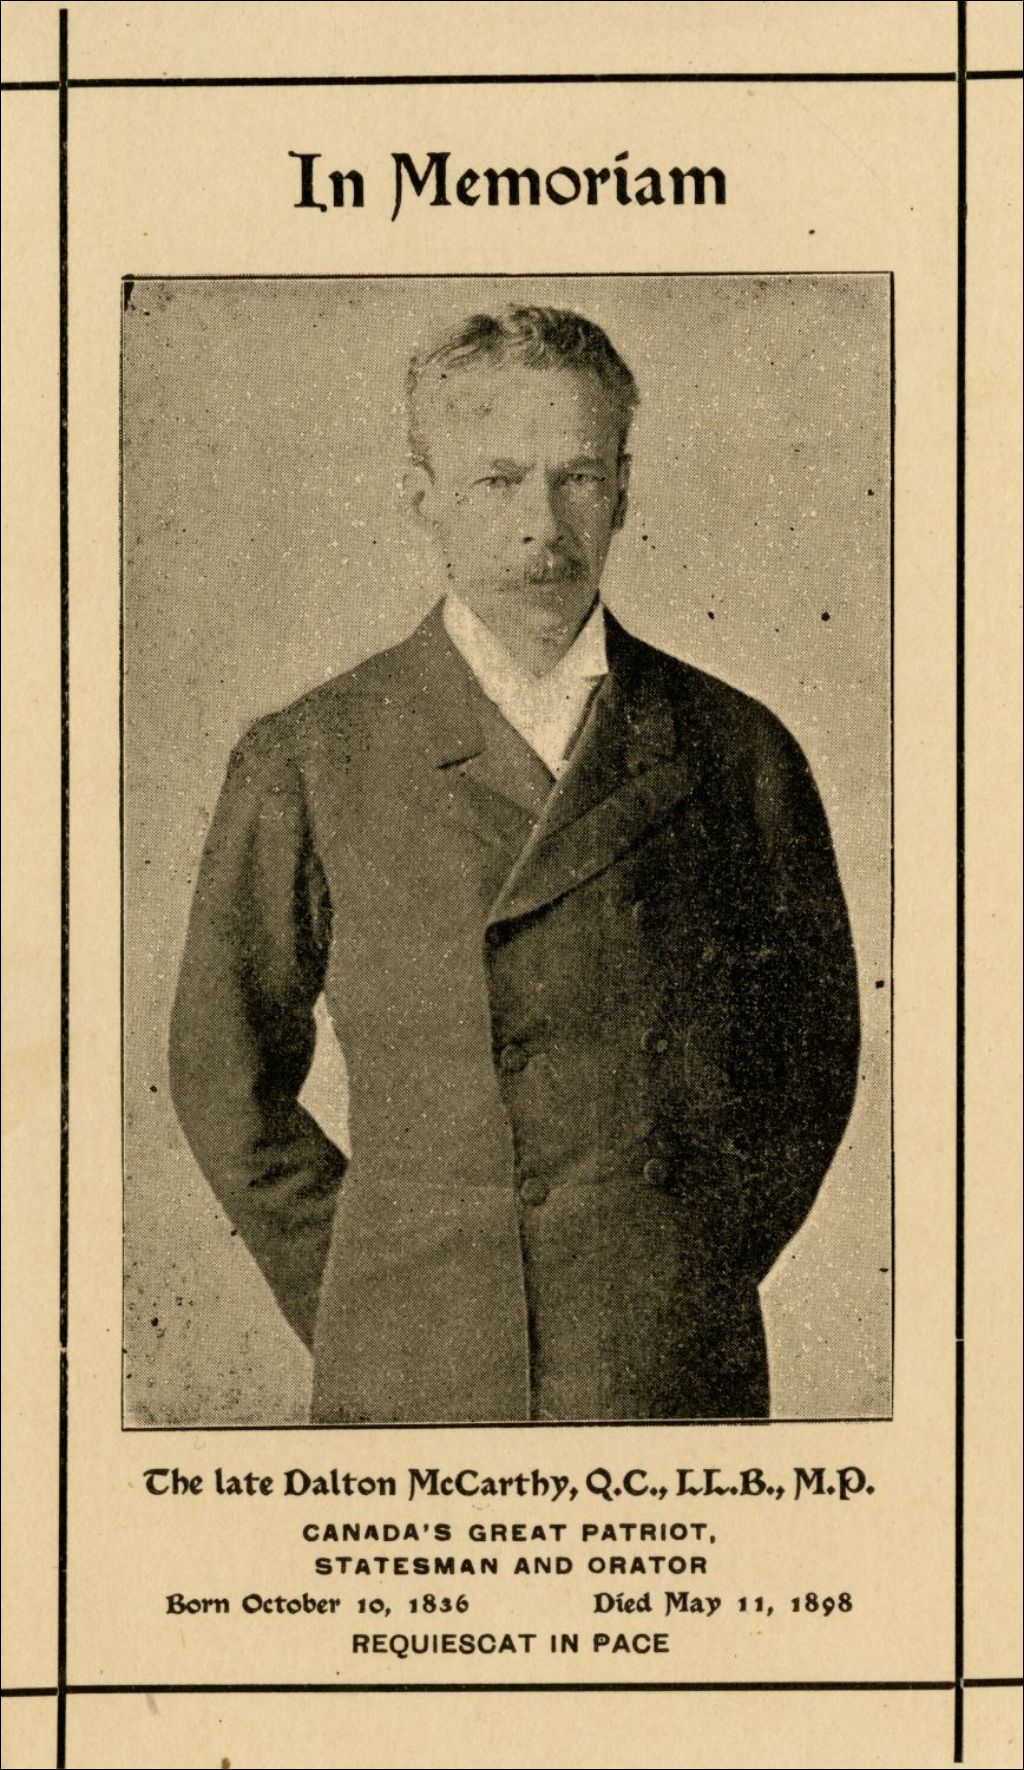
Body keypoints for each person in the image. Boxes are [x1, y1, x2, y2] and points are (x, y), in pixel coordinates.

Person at [169, 304, 860, 1424]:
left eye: (577, 477)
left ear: (622, 492)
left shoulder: (735, 749)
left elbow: (812, 1056)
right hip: (413, 1363)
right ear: (423, 498)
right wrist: (366, 1290)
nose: (541, 525)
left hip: (659, 1367)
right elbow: (222, 1074)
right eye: (496, 480)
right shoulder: (310, 753)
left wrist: (683, 1263)